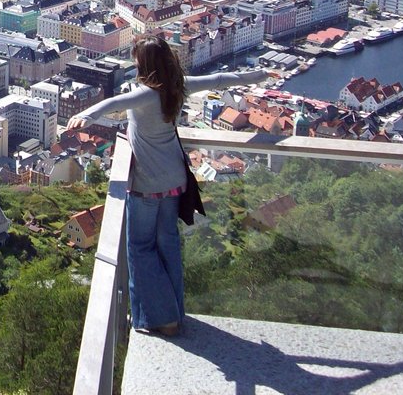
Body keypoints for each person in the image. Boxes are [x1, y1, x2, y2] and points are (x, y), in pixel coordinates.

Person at [66, 35, 270, 336]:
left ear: (145, 66)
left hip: (147, 185)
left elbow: (114, 103)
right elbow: (220, 79)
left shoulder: (146, 94)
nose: (134, 67)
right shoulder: (178, 86)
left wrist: (85, 114)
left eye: (137, 63)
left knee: (140, 249)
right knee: (168, 245)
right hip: (175, 182)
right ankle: (175, 311)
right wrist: (261, 74)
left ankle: (159, 318)